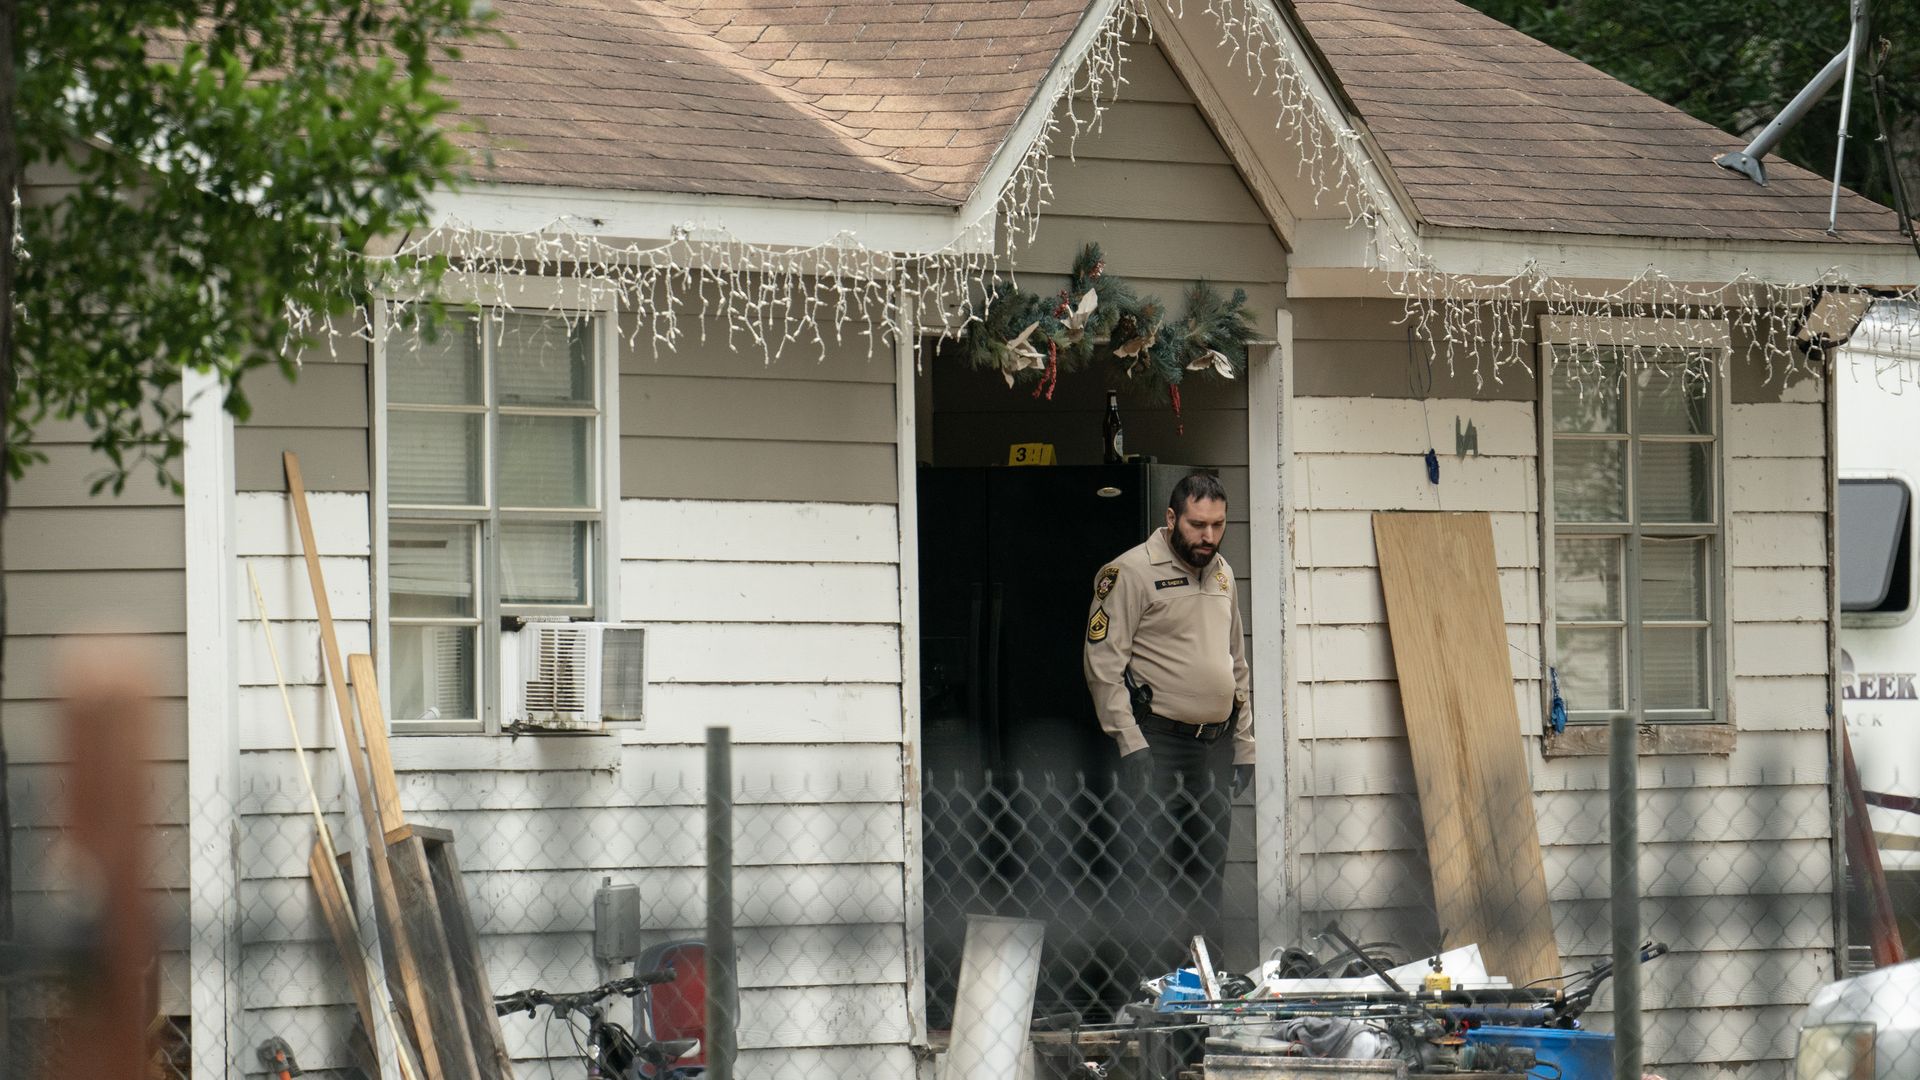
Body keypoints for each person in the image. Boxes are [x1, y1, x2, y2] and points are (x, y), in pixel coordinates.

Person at [1083, 470, 1253, 960]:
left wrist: (1244, 744)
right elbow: (1102, 665)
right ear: (1172, 518)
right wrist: (1129, 741)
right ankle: (1150, 993)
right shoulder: (1129, 572)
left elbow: (1235, 664)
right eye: (1198, 524)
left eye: (1219, 525)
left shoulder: (1221, 573)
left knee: (1206, 873)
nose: (1209, 536)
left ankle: (1206, 995)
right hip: (1159, 742)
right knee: (1152, 872)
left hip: (1214, 746)